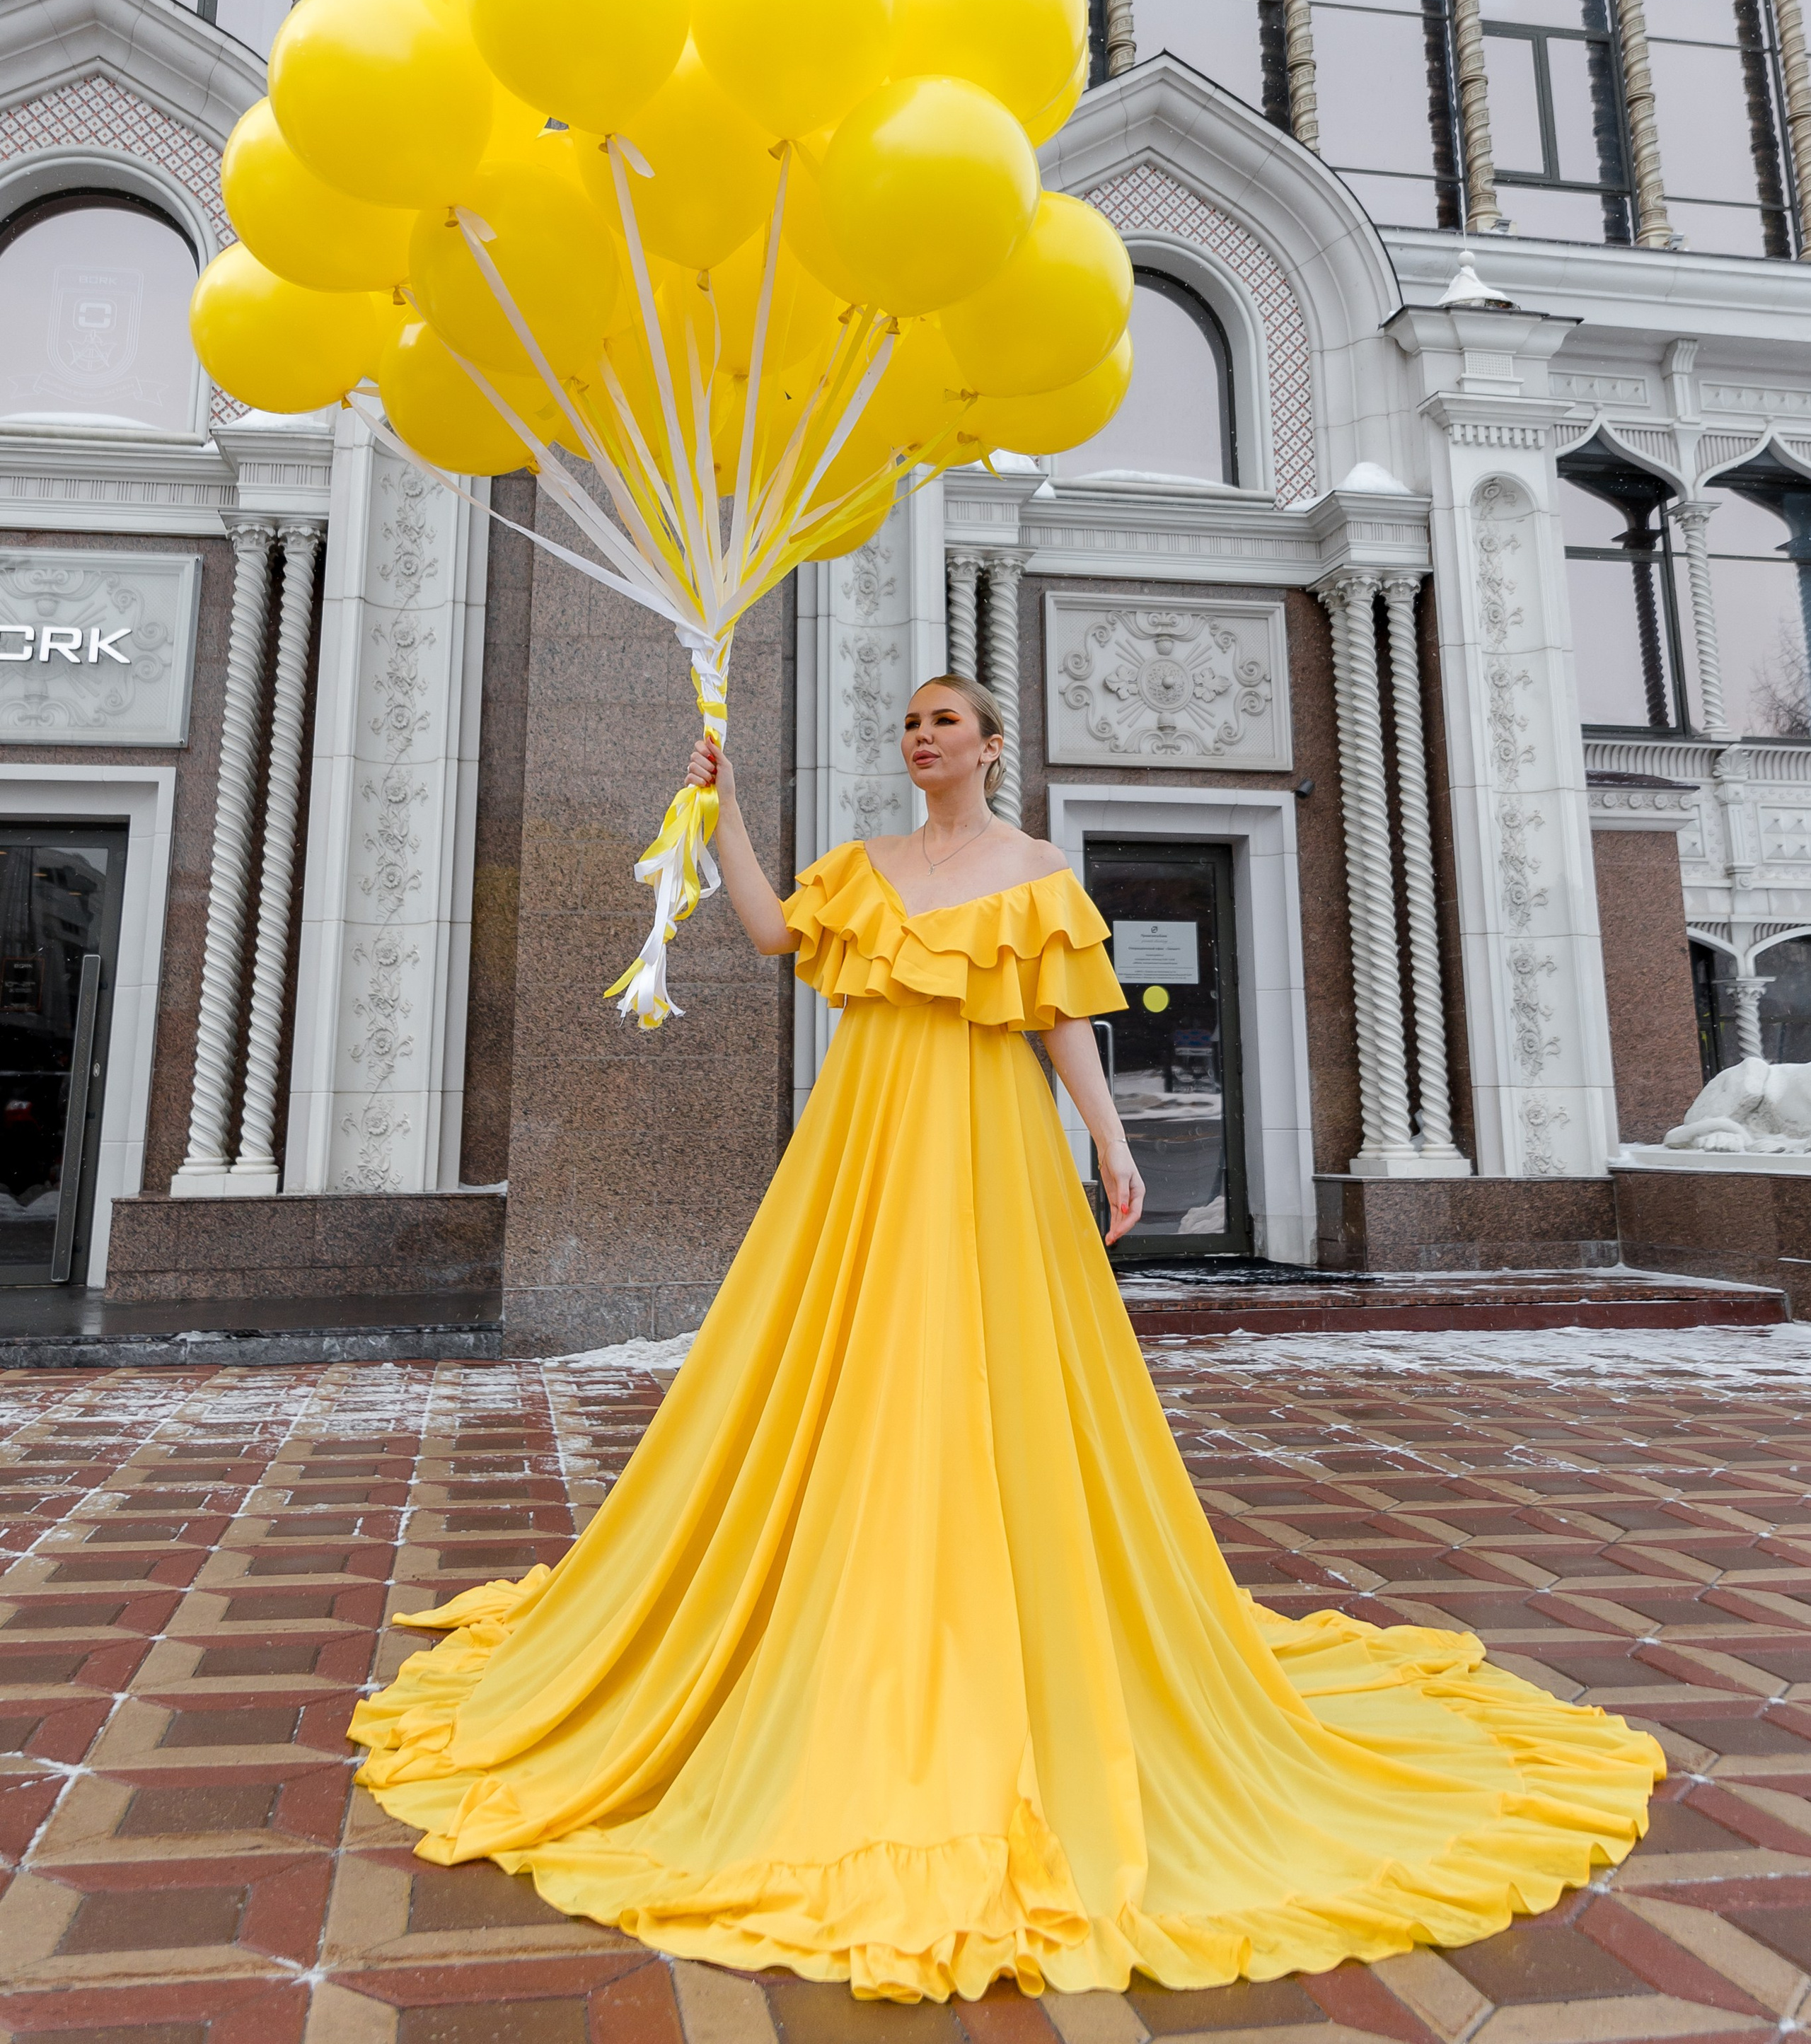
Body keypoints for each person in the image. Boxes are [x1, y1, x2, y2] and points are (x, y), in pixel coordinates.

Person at [351, 673, 1660, 2004]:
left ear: (989, 746)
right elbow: (764, 937)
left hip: (988, 1146)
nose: (923, 738)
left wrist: (1109, 1138)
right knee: (842, 1354)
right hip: (863, 1147)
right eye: (910, 724)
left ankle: (993, 1603)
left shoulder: (1035, 872)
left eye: (945, 723)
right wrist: (724, 806)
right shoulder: (860, 868)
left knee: (998, 1367)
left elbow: (1060, 1022)